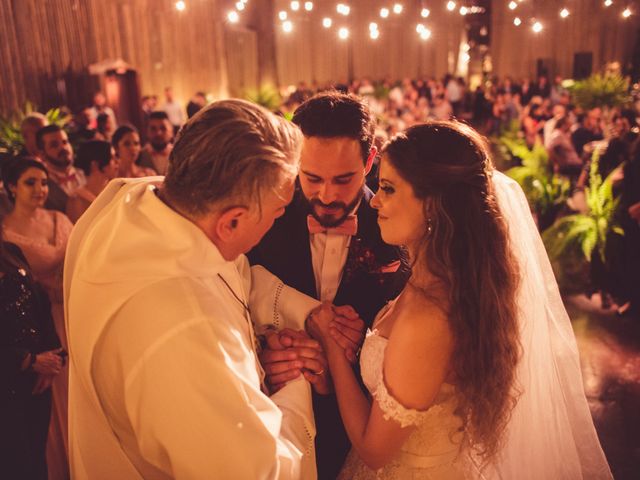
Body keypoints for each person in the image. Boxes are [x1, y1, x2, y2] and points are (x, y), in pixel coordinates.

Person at [307, 121, 612, 479]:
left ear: (434, 204)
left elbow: (375, 451)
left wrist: (330, 344)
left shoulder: (430, 315)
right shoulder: (441, 281)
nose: (378, 202)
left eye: (388, 189)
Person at [64, 99, 327, 478]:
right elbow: (255, 470)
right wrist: (295, 384)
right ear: (232, 222)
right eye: (277, 212)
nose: (277, 221)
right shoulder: (181, 326)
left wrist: (307, 312)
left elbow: (233, 273)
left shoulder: (136, 203)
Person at [249, 91, 410, 480]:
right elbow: (238, 303)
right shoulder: (264, 220)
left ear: (370, 160)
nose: (326, 195)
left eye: (343, 179)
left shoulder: (398, 235)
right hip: (275, 424)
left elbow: (405, 357)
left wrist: (343, 361)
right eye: (312, 177)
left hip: (362, 435)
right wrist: (265, 358)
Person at [2, 157, 73, 480]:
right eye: (30, 182)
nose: (40, 189)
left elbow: (38, 296)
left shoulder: (57, 219)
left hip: (65, 320)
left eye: (44, 182)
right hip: (29, 341)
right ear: (11, 187)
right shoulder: (8, 234)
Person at [1, 226, 63, 480]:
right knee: (15, 465)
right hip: (6, 383)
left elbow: (39, 300)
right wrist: (28, 361)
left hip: (34, 383)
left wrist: (53, 356)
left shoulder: (11, 252)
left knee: (36, 461)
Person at [36, 124, 86, 213]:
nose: (63, 147)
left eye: (65, 142)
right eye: (54, 145)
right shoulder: (41, 185)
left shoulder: (85, 173)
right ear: (42, 154)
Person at [66, 140, 119, 223]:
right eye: (111, 158)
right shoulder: (77, 201)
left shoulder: (117, 191)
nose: (117, 162)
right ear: (94, 165)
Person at [137, 111, 173, 175]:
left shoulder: (179, 155)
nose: (158, 133)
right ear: (147, 132)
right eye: (153, 129)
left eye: (163, 128)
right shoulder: (138, 156)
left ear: (171, 132)